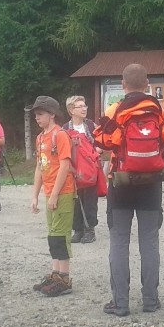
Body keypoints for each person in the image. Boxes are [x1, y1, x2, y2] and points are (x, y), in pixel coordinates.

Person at [93, 63, 164, 317]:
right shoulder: (157, 108)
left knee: (119, 241)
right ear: (147, 84)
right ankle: (150, 301)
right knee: (149, 241)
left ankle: (120, 303)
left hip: (121, 182)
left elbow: (102, 140)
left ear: (123, 84)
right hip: (151, 183)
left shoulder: (115, 109)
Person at [30, 96, 76, 296]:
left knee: (61, 234)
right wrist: (35, 195)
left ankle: (64, 278)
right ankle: (55, 274)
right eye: (36, 115)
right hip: (50, 192)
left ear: (52, 114)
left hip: (63, 192)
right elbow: (39, 167)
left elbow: (65, 165)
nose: (37, 118)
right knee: (52, 234)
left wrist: (55, 194)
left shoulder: (60, 135)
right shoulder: (40, 138)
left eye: (40, 114)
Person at [64, 95, 100, 243]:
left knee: (90, 199)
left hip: (90, 169)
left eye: (85, 106)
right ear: (71, 110)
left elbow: (101, 144)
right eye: (80, 106)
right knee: (75, 199)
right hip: (73, 169)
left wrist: (96, 152)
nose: (84, 109)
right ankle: (78, 229)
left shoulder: (91, 126)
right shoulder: (65, 129)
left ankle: (90, 229)